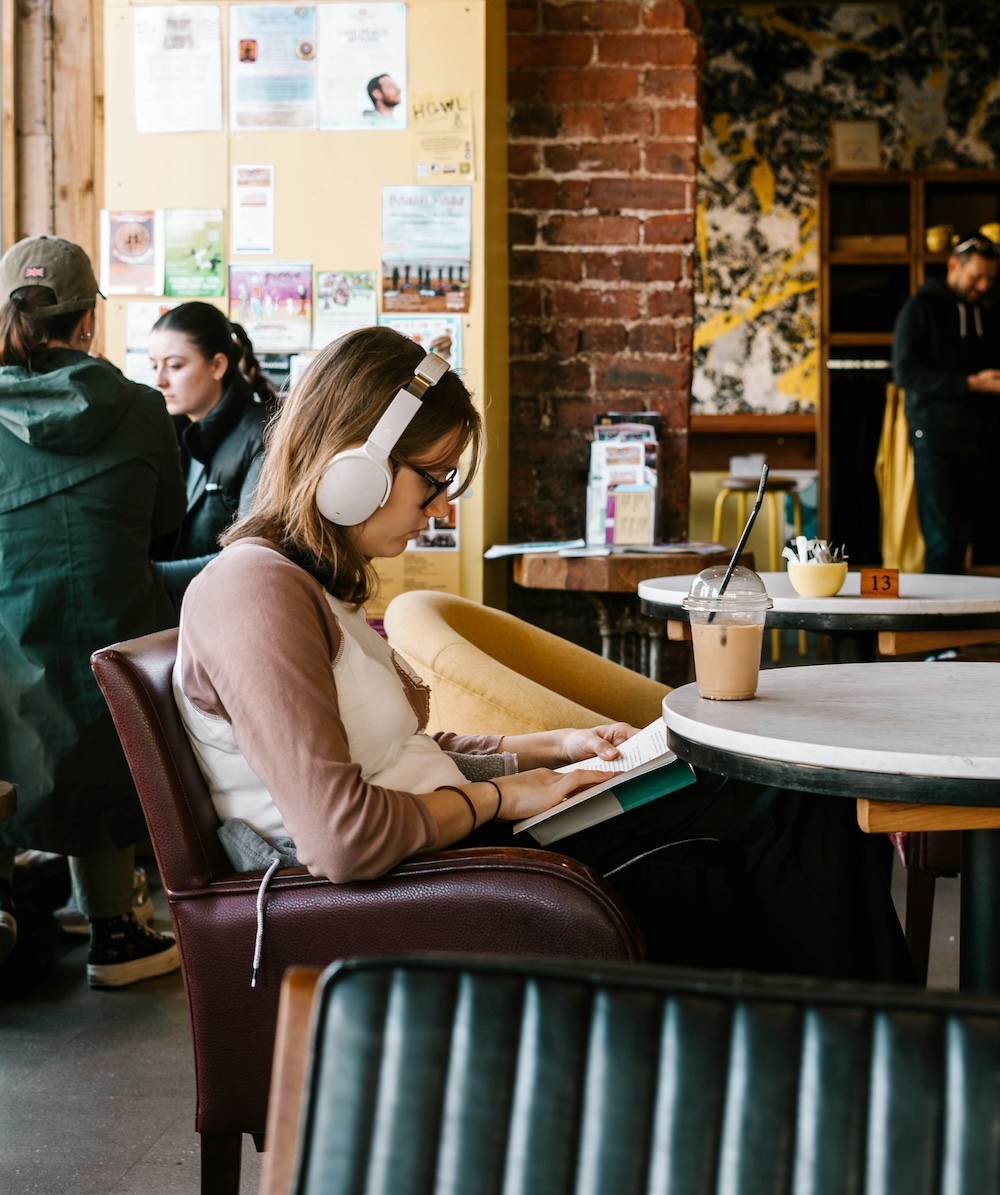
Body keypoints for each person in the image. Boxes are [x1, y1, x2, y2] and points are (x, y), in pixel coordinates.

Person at [173, 326, 915, 984]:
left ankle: (858, 1050)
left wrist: (547, 748)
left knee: (791, 793)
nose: (441, 508)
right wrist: (503, 796)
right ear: (351, 470)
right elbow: (344, 838)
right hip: (430, 888)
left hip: (455, 853)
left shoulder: (300, 584)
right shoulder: (252, 593)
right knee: (791, 807)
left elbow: (394, 758)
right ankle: (884, 1056)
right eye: (433, 480)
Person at [0, 234, 185, 986]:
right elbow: (166, 524)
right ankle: (115, 928)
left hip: (9, 642)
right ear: (87, 321)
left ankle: (9, 910)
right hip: (117, 642)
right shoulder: (141, 409)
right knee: (102, 719)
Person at [148, 302, 276, 607]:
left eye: (175, 366)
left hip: (230, 613)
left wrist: (150, 576)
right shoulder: (172, 431)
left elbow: (250, 557)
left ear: (217, 366)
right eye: (154, 366)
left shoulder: (264, 436)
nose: (159, 380)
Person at [893, 231, 1000, 574]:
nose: (984, 285)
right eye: (977, 276)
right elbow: (905, 373)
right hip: (935, 435)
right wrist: (970, 383)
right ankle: (944, 611)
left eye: (990, 278)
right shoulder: (920, 308)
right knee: (943, 543)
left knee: (979, 540)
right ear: (954, 265)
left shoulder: (988, 309)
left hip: (982, 436)